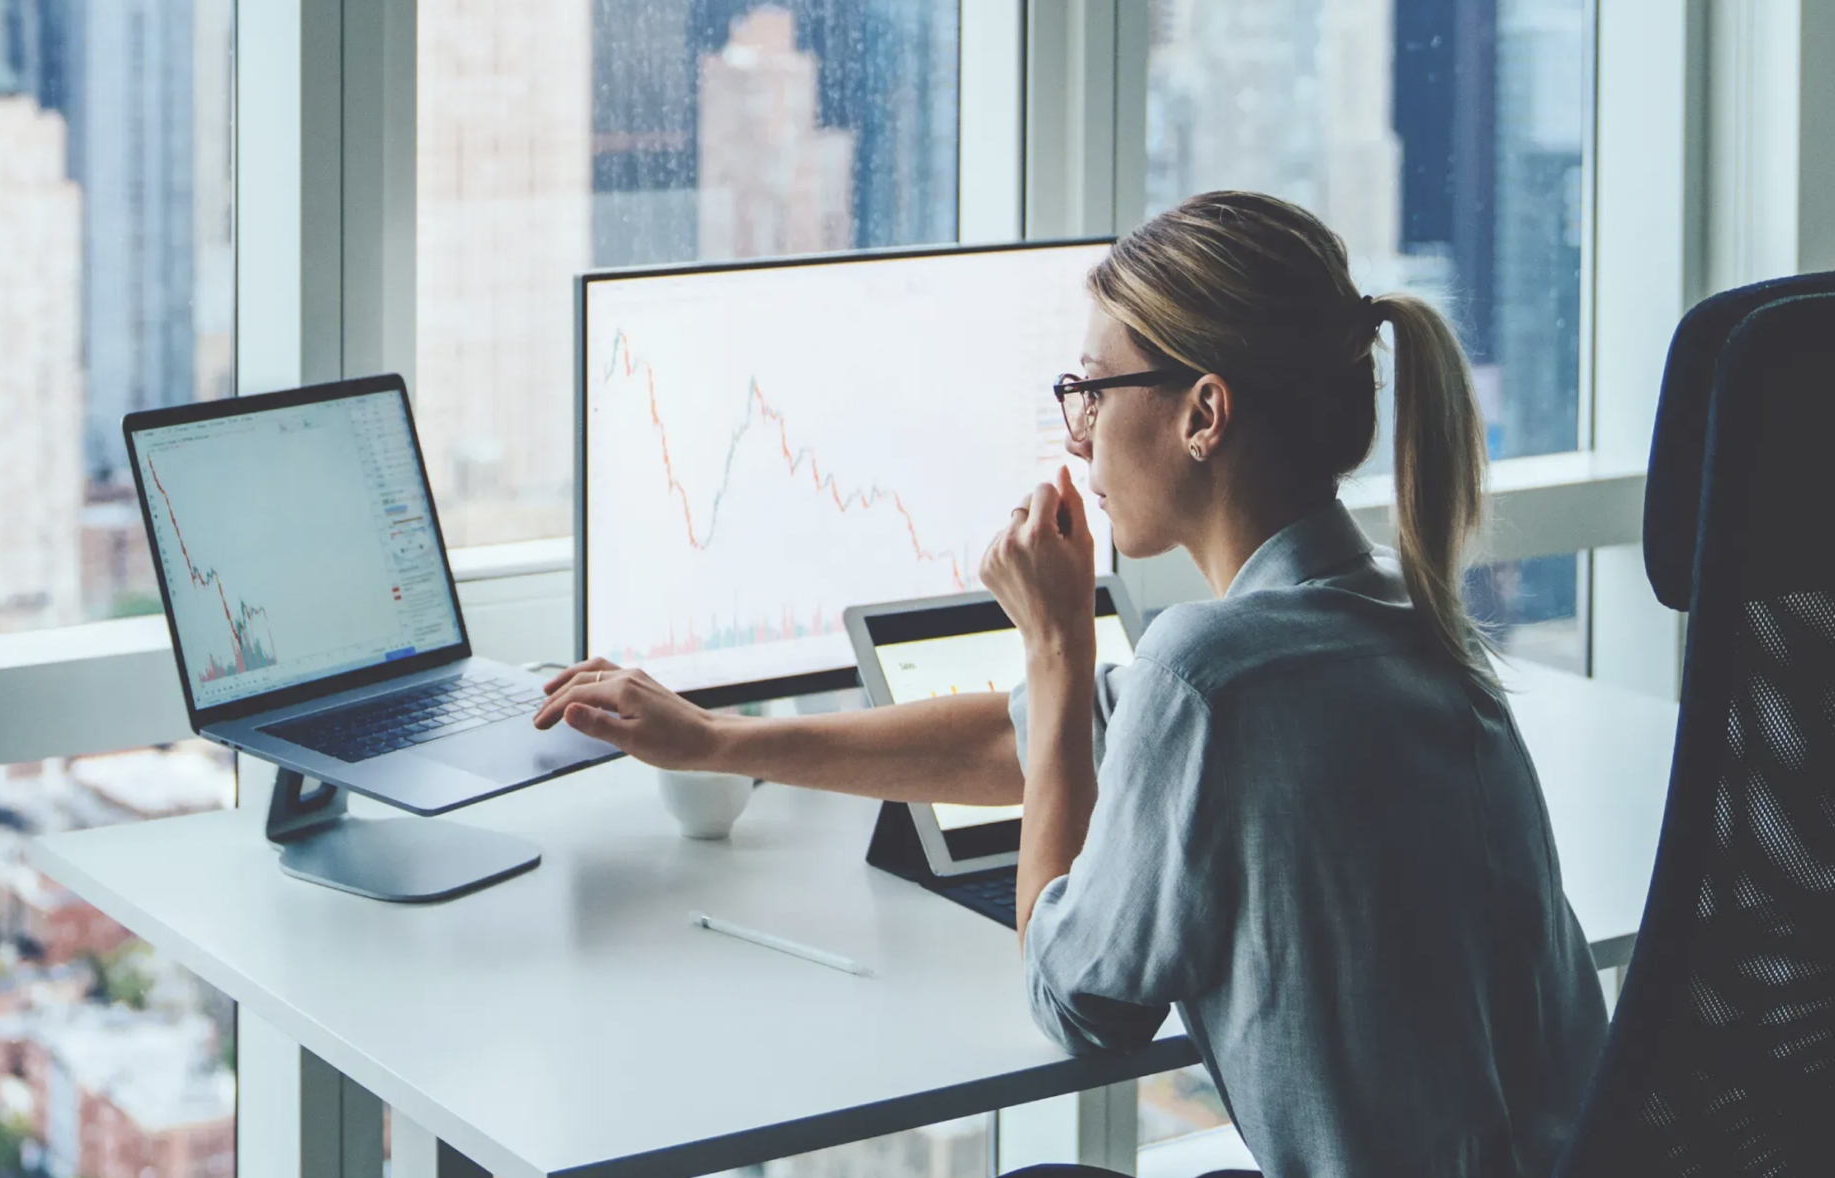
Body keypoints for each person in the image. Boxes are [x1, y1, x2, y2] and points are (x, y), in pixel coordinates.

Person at [532, 191, 1607, 1178]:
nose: (1074, 428)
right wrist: (721, 739)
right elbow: (1033, 739)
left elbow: (1077, 1001)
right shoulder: (1398, 625)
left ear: (1204, 413)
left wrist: (1054, 643)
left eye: (1092, 388)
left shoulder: (1207, 673)